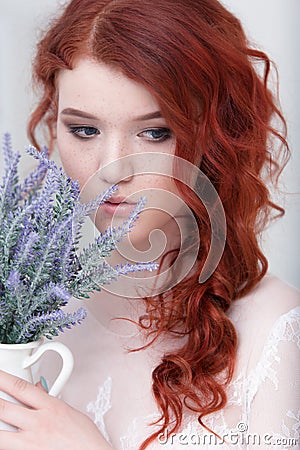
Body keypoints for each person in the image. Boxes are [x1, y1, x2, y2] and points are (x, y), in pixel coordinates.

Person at [0, 0, 299, 449]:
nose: (113, 168)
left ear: (217, 135)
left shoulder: (276, 330)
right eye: (84, 130)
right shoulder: (30, 316)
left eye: (155, 132)